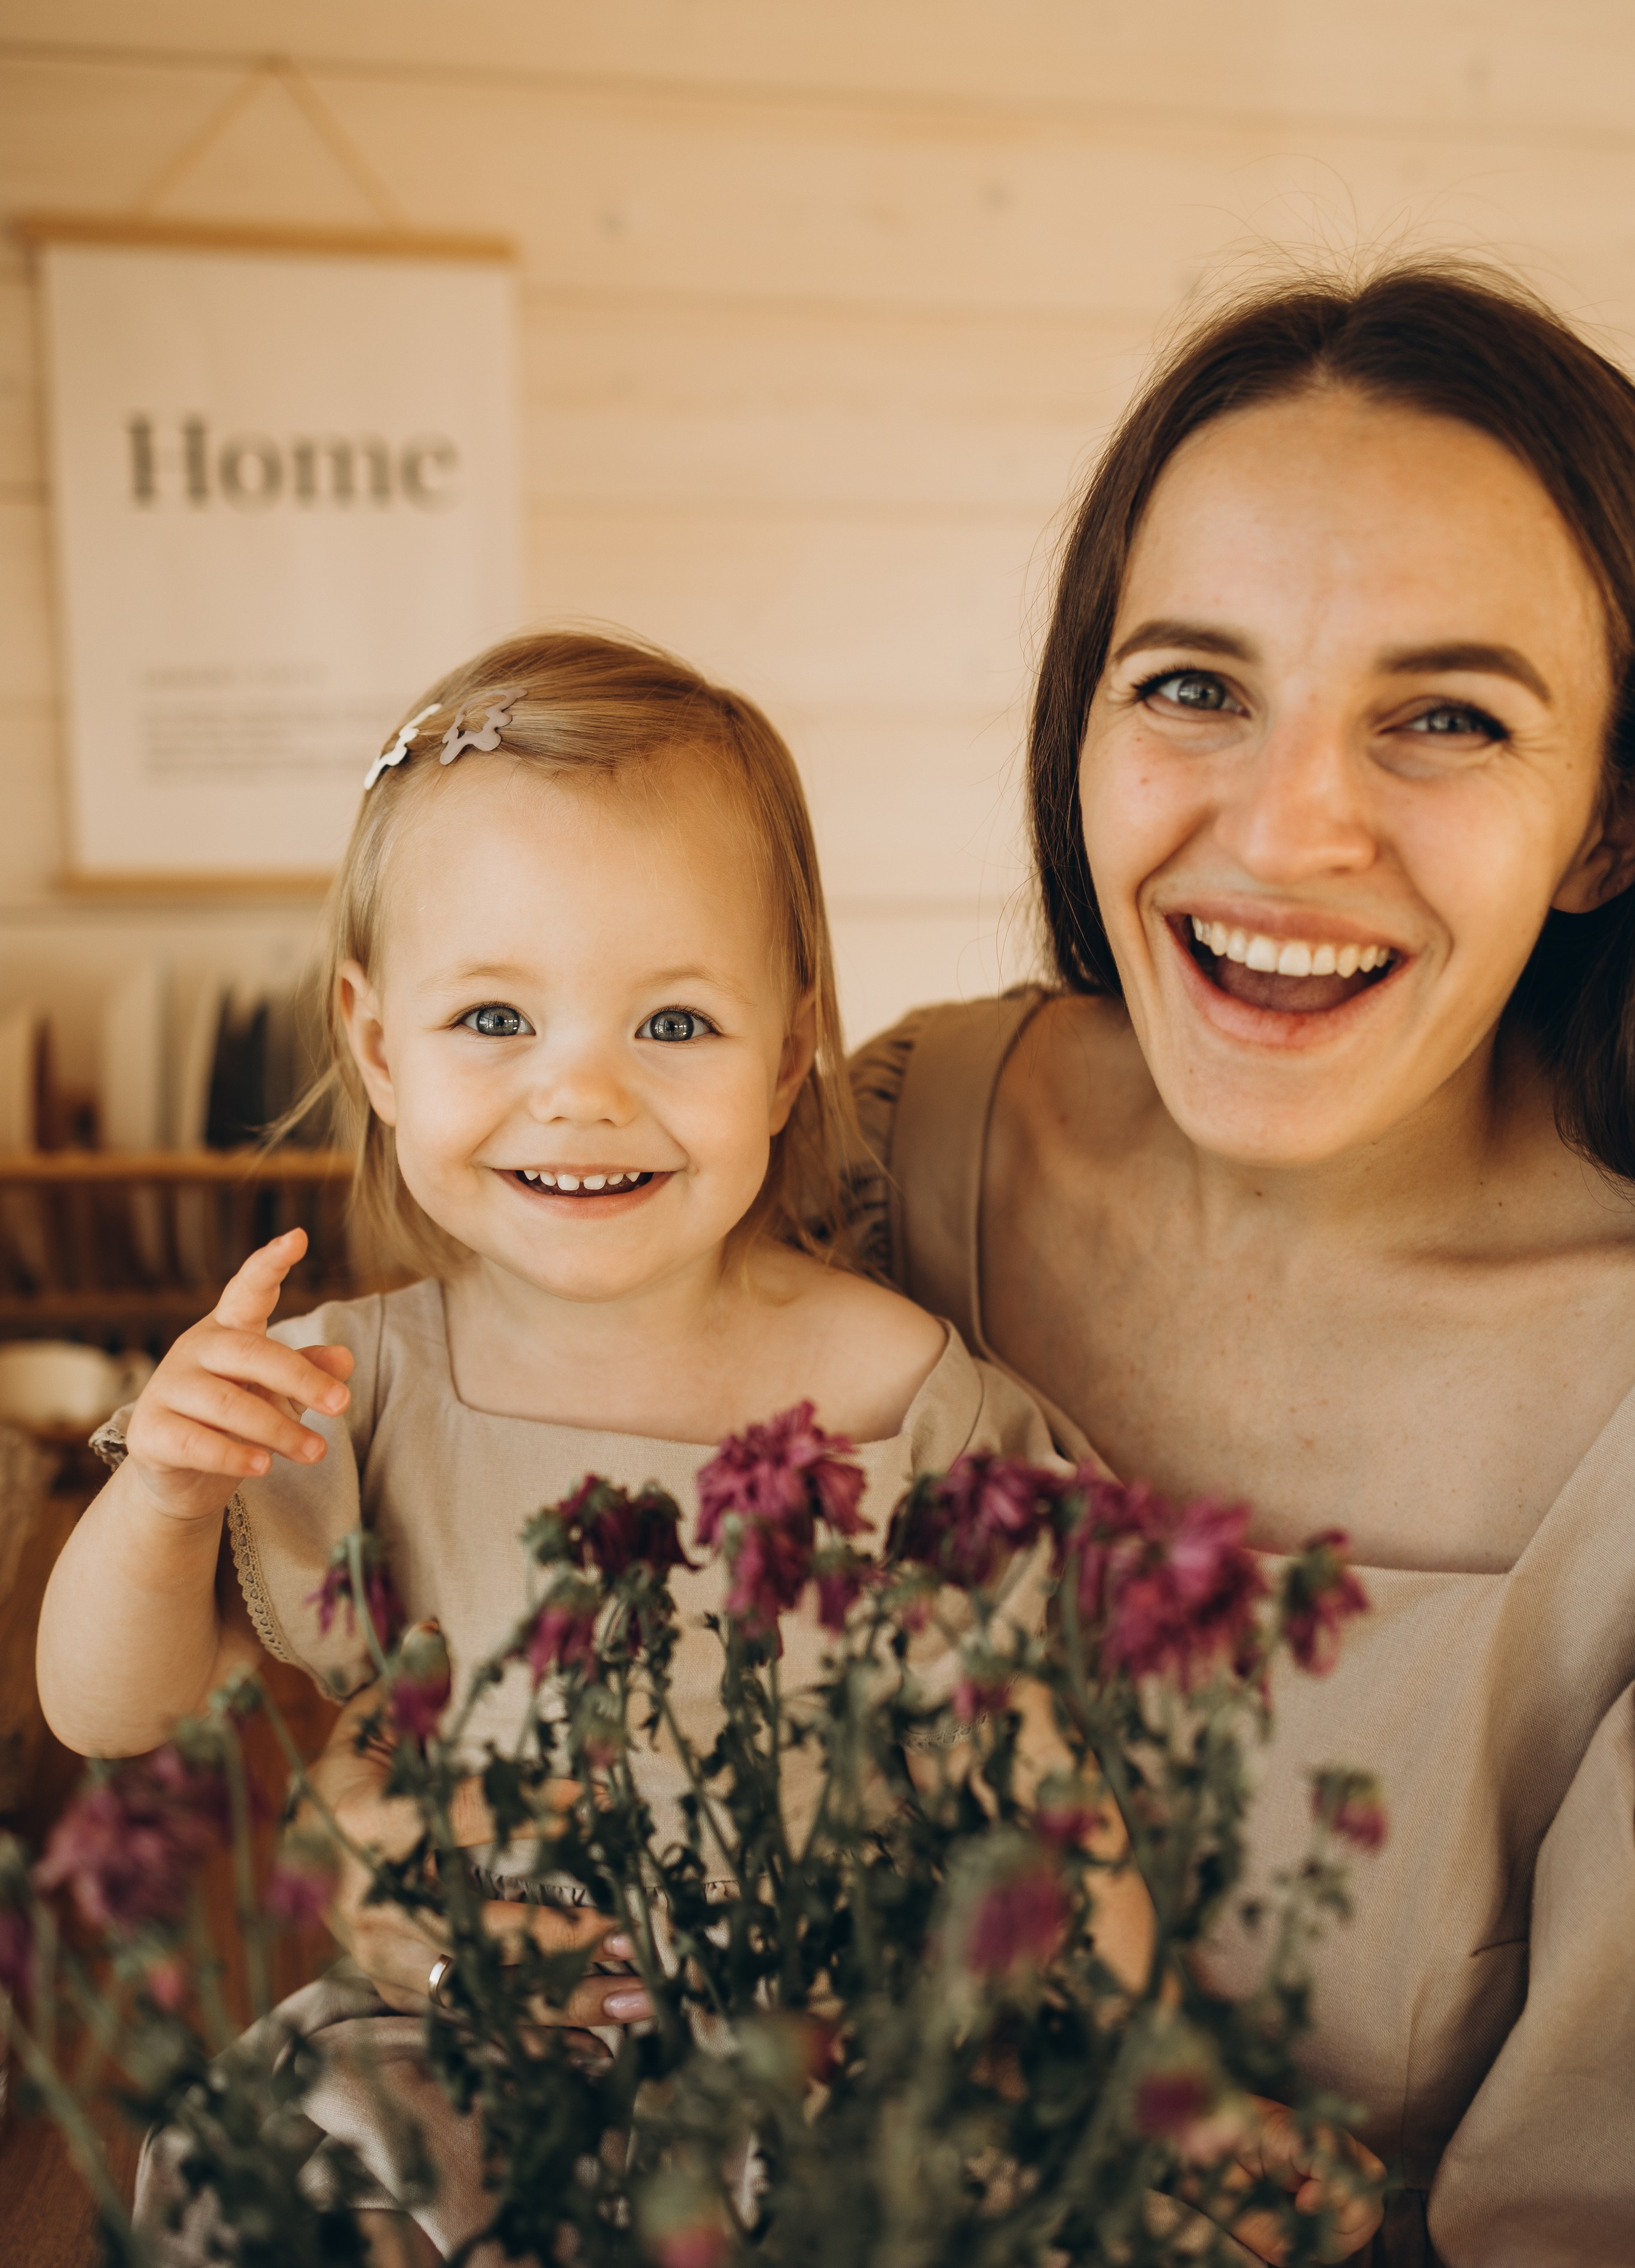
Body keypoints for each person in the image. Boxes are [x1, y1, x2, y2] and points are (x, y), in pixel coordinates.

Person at [37, 630, 1372, 2262]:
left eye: (671, 1025)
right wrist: (165, 1497)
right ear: (378, 1047)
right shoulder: (347, 1386)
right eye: (492, 1020)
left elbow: (1053, 1788)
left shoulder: (903, 1402)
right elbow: (115, 1713)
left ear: (791, 1039)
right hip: (462, 2054)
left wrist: (1165, 2080)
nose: (579, 1093)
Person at [842, 264, 1635, 2268]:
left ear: (1607, 821)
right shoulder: (882, 1146)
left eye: (1444, 717)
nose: (1286, 830)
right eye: (1192, 685)